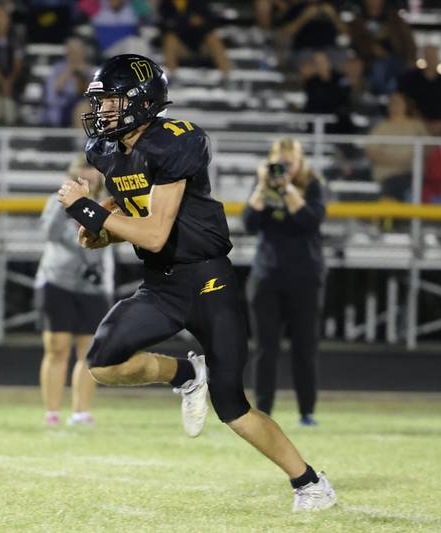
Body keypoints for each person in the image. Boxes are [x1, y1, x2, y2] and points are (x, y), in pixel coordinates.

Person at [56, 54, 336, 511]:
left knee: (233, 408)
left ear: (141, 101)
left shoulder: (174, 143)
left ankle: (310, 483)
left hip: (209, 282)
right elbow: (129, 208)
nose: (102, 109)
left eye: (111, 100)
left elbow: (155, 232)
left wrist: (87, 210)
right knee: (103, 362)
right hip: (161, 283)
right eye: (101, 100)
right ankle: (187, 373)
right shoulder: (107, 152)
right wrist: (100, 230)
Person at [243, 138, 325, 427]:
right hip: (267, 276)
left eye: (290, 163)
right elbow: (249, 223)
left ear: (300, 163)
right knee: (266, 349)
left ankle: (307, 411)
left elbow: (310, 221)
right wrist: (262, 188)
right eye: (280, 163)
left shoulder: (312, 185)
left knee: (305, 347)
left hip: (304, 277)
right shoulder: (264, 187)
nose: (284, 168)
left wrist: (288, 189)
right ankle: (263, 412)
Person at [36, 155, 114, 426]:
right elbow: (49, 232)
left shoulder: (106, 203)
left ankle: (80, 411)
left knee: (89, 349)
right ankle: (52, 412)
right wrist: (68, 200)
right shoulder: (58, 200)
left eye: (93, 168)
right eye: (84, 168)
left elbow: (107, 237)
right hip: (57, 280)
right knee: (57, 348)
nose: (89, 174)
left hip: (91, 286)